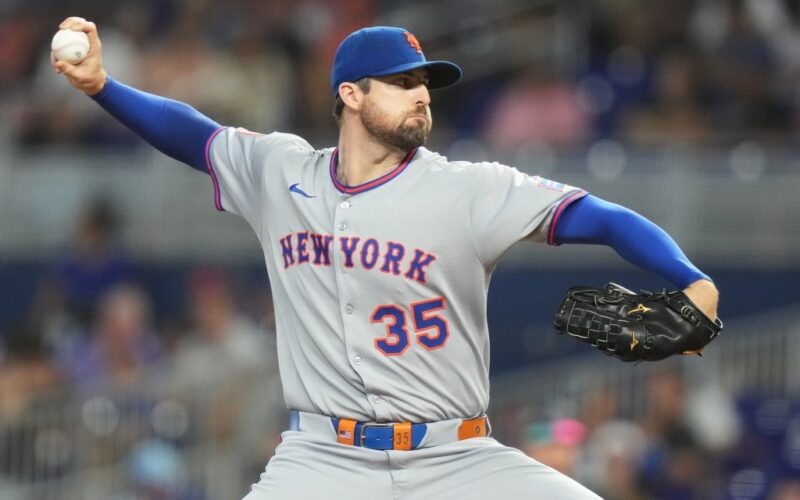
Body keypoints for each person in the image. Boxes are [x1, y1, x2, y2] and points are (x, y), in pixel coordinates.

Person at [54, 17, 719, 500]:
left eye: (425, 82)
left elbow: (603, 217)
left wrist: (691, 280)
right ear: (351, 93)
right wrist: (103, 86)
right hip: (321, 459)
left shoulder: (468, 189)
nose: (422, 94)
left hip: (457, 458)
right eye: (402, 82)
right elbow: (191, 134)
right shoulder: (280, 171)